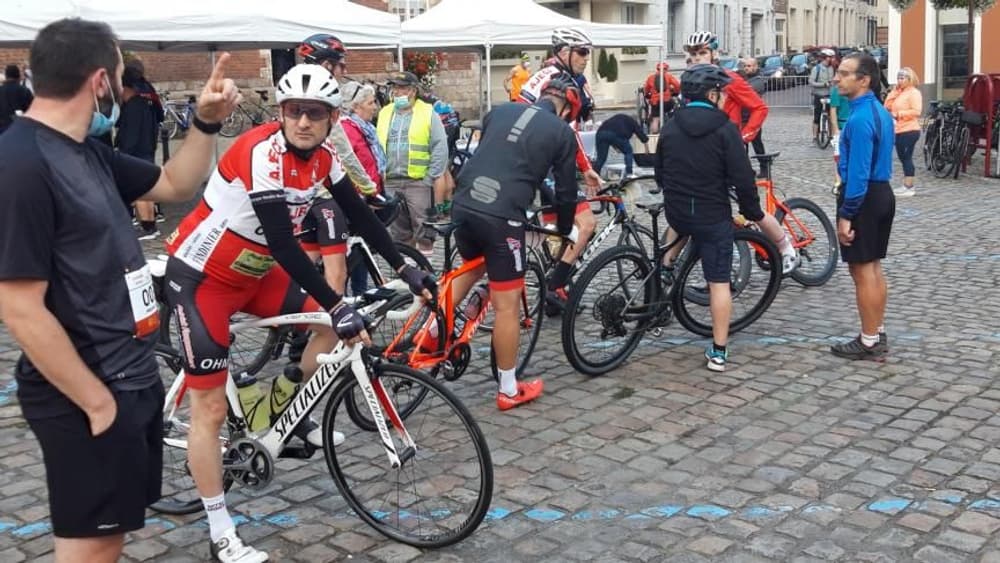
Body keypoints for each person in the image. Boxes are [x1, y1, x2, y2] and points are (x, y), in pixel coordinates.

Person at [164, 63, 435, 562]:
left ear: (332, 118)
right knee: (211, 411)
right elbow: (289, 249)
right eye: (294, 112)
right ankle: (221, 528)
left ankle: (279, 410)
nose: (303, 122)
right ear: (281, 113)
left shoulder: (325, 156)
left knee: (328, 327)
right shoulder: (261, 153)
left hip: (254, 274)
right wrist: (339, 304)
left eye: (314, 113)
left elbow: (359, 215)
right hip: (203, 279)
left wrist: (406, 266)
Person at [0, 18, 239, 563]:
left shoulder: (84, 150)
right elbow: (18, 307)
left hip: (128, 378)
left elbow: (175, 184)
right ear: (100, 81)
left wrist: (203, 124)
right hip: (88, 391)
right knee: (92, 545)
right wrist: (98, 403)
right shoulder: (22, 164)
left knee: (109, 538)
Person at [451, 72, 582, 409]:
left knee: (471, 268)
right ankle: (508, 389)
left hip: (464, 203)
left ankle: (437, 332)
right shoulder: (562, 132)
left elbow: (504, 159)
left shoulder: (501, 110)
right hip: (501, 215)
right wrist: (566, 229)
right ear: (567, 109)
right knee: (507, 306)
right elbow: (567, 193)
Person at [653, 65, 767, 372]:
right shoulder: (724, 128)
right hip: (712, 213)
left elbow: (660, 169)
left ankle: (661, 280)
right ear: (713, 94)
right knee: (718, 283)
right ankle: (719, 350)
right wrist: (750, 210)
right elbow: (742, 178)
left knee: (673, 239)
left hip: (678, 209)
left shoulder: (672, 124)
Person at [681, 31, 799, 274]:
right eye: (693, 54)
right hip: (705, 153)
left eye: (703, 53)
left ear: (714, 54)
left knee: (750, 206)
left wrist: (744, 136)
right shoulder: (689, 81)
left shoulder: (728, 79)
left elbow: (759, 107)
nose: (698, 58)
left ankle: (785, 247)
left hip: (729, 149)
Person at [517, 27, 601, 311]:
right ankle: (555, 286)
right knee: (586, 223)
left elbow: (570, 130)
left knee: (558, 233)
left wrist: (585, 166)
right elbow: (523, 113)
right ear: (564, 52)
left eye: (588, 52)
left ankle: (557, 287)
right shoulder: (549, 77)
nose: (586, 58)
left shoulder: (565, 78)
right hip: (547, 164)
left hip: (550, 161)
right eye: (582, 52)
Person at [830, 53, 896, 361]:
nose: (836, 78)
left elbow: (857, 174)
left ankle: (869, 339)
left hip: (865, 196)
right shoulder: (880, 111)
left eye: (844, 73)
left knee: (862, 270)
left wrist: (846, 214)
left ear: (864, 79)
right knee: (873, 267)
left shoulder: (858, 119)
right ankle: (876, 330)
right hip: (882, 192)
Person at [377, 70, 450, 256]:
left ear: (412, 91)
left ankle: (426, 272)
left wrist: (430, 177)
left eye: (402, 88)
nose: (397, 92)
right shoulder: (385, 113)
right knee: (399, 233)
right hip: (391, 181)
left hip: (418, 182)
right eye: (395, 88)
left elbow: (440, 146)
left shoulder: (427, 112)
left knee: (424, 232)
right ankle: (408, 274)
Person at [298, 33, 380, 197]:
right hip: (316, 192)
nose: (345, 71)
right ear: (327, 66)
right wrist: (369, 187)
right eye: (341, 66)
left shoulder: (297, 93)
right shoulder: (321, 102)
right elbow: (344, 152)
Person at [117, 66, 161, 240]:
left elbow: (130, 135)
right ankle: (150, 225)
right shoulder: (147, 102)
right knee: (146, 190)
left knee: (140, 192)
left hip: (136, 152)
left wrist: (122, 153)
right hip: (147, 148)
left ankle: (148, 227)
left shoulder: (134, 106)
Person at [883, 67, 922, 198]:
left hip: (909, 129)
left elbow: (916, 111)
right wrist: (894, 92)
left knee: (906, 157)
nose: (900, 80)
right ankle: (906, 184)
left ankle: (909, 186)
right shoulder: (900, 92)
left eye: (902, 78)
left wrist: (899, 114)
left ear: (909, 79)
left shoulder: (913, 93)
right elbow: (887, 106)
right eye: (898, 78)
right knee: (902, 157)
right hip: (898, 129)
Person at [739, 57, 770, 178]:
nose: (747, 68)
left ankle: (764, 168)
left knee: (757, 145)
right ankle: (746, 170)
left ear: (756, 67)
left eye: (749, 66)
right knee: (742, 146)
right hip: (742, 117)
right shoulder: (745, 79)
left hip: (753, 118)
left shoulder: (758, 81)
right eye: (745, 66)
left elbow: (747, 92)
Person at [592, 113, 649, 178]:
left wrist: (616, 147)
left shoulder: (620, 117)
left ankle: (595, 176)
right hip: (615, 134)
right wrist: (647, 148)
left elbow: (611, 133)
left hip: (600, 133)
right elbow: (641, 134)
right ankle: (629, 173)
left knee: (601, 158)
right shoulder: (633, 121)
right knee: (628, 152)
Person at [642, 61, 680, 133]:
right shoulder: (669, 76)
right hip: (667, 101)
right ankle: (671, 123)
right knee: (673, 108)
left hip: (655, 102)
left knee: (655, 119)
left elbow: (646, 89)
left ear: (657, 69)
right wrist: (676, 92)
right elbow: (677, 85)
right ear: (666, 69)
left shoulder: (651, 77)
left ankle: (655, 136)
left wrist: (647, 95)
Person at [828, 68, 851, 185]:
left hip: (853, 125)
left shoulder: (854, 90)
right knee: (838, 155)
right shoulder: (836, 91)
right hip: (842, 125)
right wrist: (835, 129)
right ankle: (838, 180)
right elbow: (833, 110)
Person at [810, 49, 836, 143]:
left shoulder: (831, 68)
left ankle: (831, 135)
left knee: (831, 116)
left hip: (829, 95)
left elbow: (833, 80)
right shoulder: (816, 69)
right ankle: (814, 136)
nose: (832, 59)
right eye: (830, 57)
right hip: (819, 95)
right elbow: (811, 82)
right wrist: (824, 84)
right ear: (825, 58)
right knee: (817, 116)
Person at [0, 64, 34, 134]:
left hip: (2, 131)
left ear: (6, 76)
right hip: (21, 131)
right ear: (18, 76)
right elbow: (33, 111)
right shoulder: (25, 91)